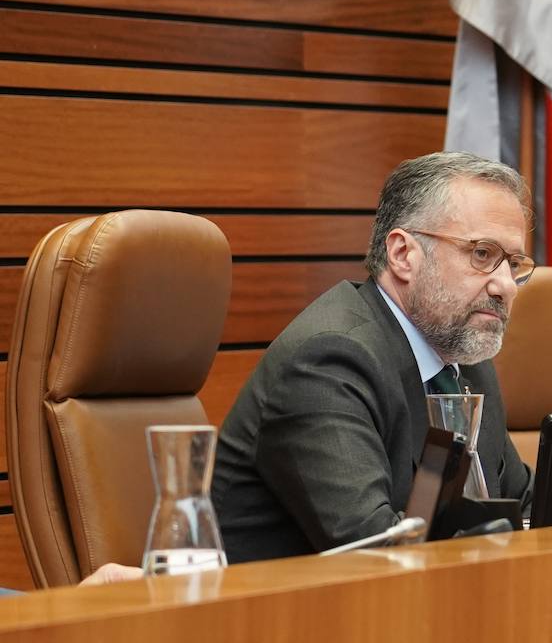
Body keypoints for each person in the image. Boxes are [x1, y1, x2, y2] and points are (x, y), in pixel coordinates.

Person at [212, 152, 535, 562]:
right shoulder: (327, 361)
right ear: (403, 254)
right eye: (483, 255)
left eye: (515, 263)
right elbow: (375, 549)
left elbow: (524, 505)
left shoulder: (464, 361)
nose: (505, 285)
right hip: (286, 617)